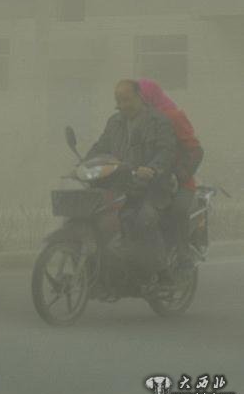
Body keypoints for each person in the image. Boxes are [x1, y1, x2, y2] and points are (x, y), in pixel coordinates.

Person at [85, 79, 177, 281]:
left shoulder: (158, 121)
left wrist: (152, 169)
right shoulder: (114, 122)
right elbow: (100, 147)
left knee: (144, 219)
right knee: (98, 217)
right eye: (119, 100)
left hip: (152, 188)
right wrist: (83, 165)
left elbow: (167, 151)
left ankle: (162, 271)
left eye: (127, 99)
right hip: (120, 185)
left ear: (139, 96)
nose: (122, 105)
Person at [138, 79, 204, 259]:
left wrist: (180, 175)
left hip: (178, 182)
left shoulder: (173, 116)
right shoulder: (137, 119)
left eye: (141, 97)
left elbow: (195, 150)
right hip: (148, 179)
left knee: (177, 210)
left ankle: (183, 256)